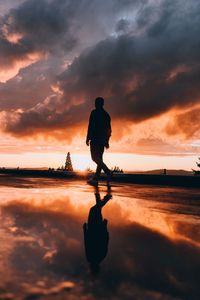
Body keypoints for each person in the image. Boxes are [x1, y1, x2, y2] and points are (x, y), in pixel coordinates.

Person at [83, 186, 112, 274]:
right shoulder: (92, 257)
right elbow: (104, 239)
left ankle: (98, 194)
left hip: (96, 228)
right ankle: (107, 198)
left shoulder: (101, 256)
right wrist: (85, 230)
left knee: (96, 209)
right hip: (95, 228)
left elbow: (106, 239)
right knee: (94, 209)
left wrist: (105, 226)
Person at [86, 97, 112, 185]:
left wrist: (88, 138)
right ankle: (96, 179)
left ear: (99, 104)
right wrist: (107, 141)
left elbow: (90, 126)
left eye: (96, 103)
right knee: (99, 159)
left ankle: (108, 172)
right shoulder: (106, 115)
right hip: (102, 140)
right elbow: (109, 130)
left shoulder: (94, 113)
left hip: (96, 139)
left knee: (94, 158)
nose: (95, 104)